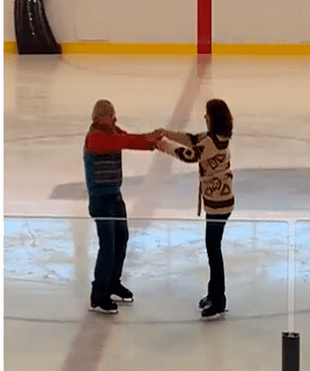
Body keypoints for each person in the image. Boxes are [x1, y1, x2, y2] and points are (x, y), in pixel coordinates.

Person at [156, 98, 234, 318]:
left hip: (218, 205)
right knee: (213, 248)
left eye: (207, 114)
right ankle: (215, 294)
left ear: (213, 117)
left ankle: (218, 298)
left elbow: (190, 155)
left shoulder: (211, 142)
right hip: (220, 202)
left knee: (213, 250)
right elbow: (192, 139)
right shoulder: (217, 138)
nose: (204, 117)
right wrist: (167, 133)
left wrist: (164, 146)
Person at [84, 99, 163, 314]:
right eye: (111, 114)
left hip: (115, 196)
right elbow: (123, 142)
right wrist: (150, 142)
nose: (115, 118)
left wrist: (150, 140)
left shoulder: (111, 131)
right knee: (108, 245)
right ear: (99, 118)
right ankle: (98, 294)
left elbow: (127, 137)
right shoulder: (96, 138)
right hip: (101, 200)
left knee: (121, 238)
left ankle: (112, 282)